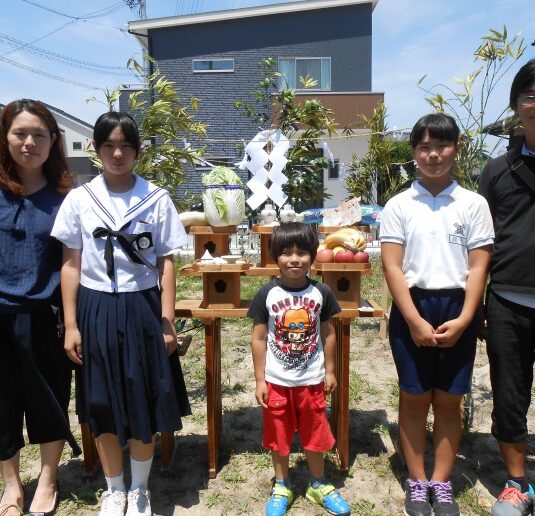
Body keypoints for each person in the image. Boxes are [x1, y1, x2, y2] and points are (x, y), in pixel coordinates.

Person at [51, 112, 190, 516]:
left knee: (144, 398)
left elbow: (166, 263)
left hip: (143, 308)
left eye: (125, 146)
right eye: (108, 145)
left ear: (136, 151)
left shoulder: (156, 198)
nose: (117, 153)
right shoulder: (80, 198)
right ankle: (115, 488)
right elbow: (71, 265)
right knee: (102, 400)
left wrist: (167, 322)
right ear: (95, 150)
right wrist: (72, 324)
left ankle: (140, 488)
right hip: (96, 309)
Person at [380, 113, 494, 516]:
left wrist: (467, 318)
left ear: (456, 150)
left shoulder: (473, 203)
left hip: (458, 308)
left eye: (442, 146)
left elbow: (479, 265)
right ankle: (416, 480)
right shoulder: (398, 205)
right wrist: (411, 319)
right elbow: (392, 266)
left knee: (448, 401)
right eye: (425, 147)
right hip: (413, 306)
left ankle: (441, 483)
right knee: (414, 399)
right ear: (413, 153)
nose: (433, 155)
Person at [0, 99, 80, 516]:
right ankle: (11, 486)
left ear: (54, 141)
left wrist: (71, 323)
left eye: (39, 135)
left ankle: (48, 479)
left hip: (45, 317)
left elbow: (72, 262)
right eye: (20, 133)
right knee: (2, 403)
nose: (29, 142)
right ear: (5, 137)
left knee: (49, 399)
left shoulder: (66, 197)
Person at [247, 222, 351, 516]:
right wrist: (260, 380)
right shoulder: (266, 294)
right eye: (286, 253)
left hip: (312, 380)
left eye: (302, 252)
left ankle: (318, 483)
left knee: (315, 432)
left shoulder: (322, 292)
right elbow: (257, 338)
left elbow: (329, 333)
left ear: (313, 255)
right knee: (278, 435)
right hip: (277, 382)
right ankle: (282, 484)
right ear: (275, 257)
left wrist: (330, 371)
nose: (295, 259)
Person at [478, 59, 535, 516]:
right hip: (508, 299)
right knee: (509, 393)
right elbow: (480, 243)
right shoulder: (498, 171)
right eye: (528, 96)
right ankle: (517, 484)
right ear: (517, 107)